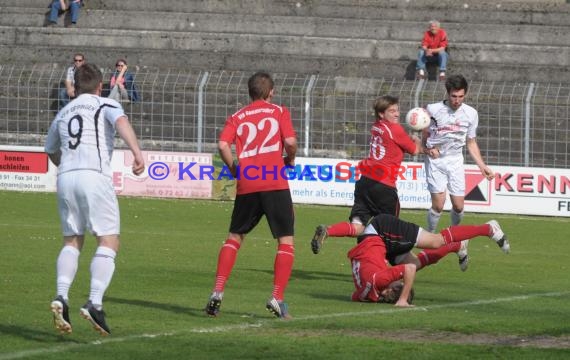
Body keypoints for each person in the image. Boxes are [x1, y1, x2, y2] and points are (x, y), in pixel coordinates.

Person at [45, 63, 145, 336]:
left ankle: (62, 296)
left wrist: (65, 166)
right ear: (100, 86)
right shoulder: (104, 104)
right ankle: (95, 302)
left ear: (74, 88)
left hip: (66, 177)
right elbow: (121, 122)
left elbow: (50, 149)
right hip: (94, 175)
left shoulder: (64, 111)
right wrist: (136, 152)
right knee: (109, 239)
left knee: (72, 240)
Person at [204, 72, 297, 319]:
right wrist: (291, 159)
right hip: (275, 181)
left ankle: (217, 292)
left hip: (249, 179)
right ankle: (277, 297)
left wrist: (235, 168)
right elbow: (290, 141)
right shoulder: (278, 111)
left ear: (250, 92)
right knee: (285, 241)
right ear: (270, 92)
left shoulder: (237, 116)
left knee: (235, 237)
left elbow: (223, 145)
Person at [310, 95, 420, 251]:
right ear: (382, 114)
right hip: (384, 186)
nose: (397, 114)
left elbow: (393, 143)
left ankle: (329, 230)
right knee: (390, 231)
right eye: (392, 111)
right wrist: (417, 139)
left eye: (398, 110)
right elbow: (415, 150)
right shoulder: (395, 129)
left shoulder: (377, 126)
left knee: (358, 226)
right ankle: (382, 268)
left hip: (365, 182)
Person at [348, 213, 510, 307]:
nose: (401, 280)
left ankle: (489, 228)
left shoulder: (379, 282)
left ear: (391, 289)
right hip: (378, 243)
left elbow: (406, 273)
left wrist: (402, 298)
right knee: (414, 264)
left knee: (435, 241)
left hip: (381, 231)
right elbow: (355, 296)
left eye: (400, 284)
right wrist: (400, 298)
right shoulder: (368, 293)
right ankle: (457, 246)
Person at [422, 74, 494, 270]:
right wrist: (428, 149)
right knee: (438, 204)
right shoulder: (433, 110)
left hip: (455, 160)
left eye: (461, 96)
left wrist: (482, 166)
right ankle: (429, 235)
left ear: (465, 94)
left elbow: (471, 142)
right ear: (447, 93)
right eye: (454, 96)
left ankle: (455, 237)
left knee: (459, 206)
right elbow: (424, 135)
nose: (457, 100)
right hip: (436, 161)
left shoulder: (471, 114)